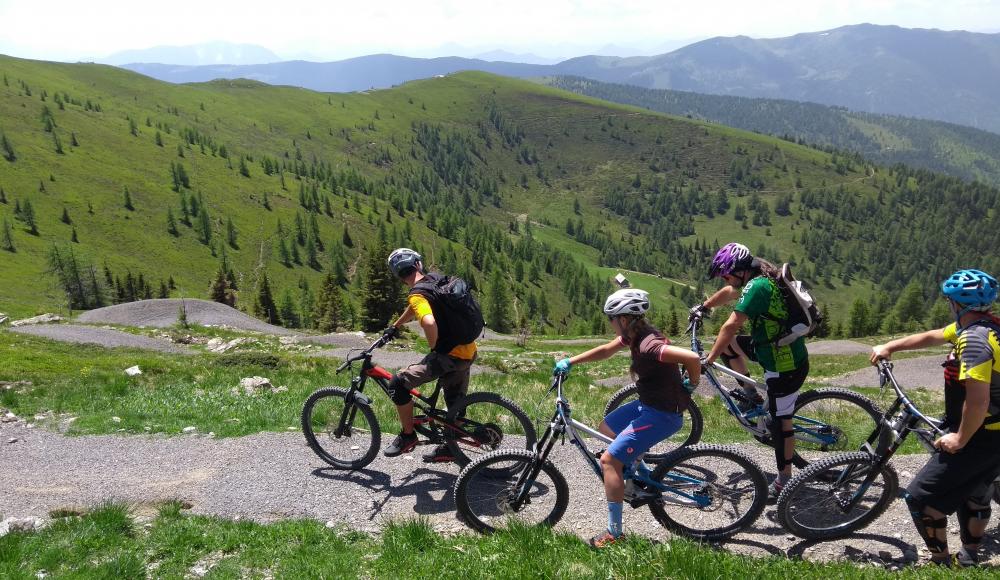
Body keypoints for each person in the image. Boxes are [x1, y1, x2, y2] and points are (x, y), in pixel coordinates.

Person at [871, 269, 1000, 567]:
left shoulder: (975, 341)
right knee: (976, 492)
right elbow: (934, 335)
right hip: (993, 430)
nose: (948, 306)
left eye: (949, 301)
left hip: (981, 433)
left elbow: (978, 401)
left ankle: (941, 562)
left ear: (958, 304)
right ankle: (969, 556)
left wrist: (960, 438)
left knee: (920, 498)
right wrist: (891, 346)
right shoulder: (988, 326)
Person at [554, 288, 701, 548]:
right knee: (606, 427)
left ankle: (615, 533)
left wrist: (691, 384)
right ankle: (635, 474)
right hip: (648, 404)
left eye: (611, 318)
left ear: (623, 319)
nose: (610, 323)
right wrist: (571, 361)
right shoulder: (634, 335)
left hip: (662, 414)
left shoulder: (649, 345)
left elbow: (691, 357)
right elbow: (606, 350)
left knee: (609, 461)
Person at [697, 242, 810, 500]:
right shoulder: (758, 276)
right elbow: (729, 292)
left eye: (726, 274)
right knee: (730, 347)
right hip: (768, 347)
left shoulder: (758, 285)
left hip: (785, 364)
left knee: (779, 425)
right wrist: (704, 307)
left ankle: (784, 480)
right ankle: (751, 393)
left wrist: (709, 359)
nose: (726, 280)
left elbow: (732, 324)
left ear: (739, 270)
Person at [381, 248, 478, 462]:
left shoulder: (417, 293)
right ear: (417, 265)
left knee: (397, 383)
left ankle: (408, 436)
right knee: (455, 402)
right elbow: (415, 307)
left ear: (398, 275)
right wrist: (395, 326)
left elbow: (427, 320)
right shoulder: (435, 280)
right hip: (468, 350)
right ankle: (450, 446)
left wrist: (434, 346)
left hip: (449, 357)